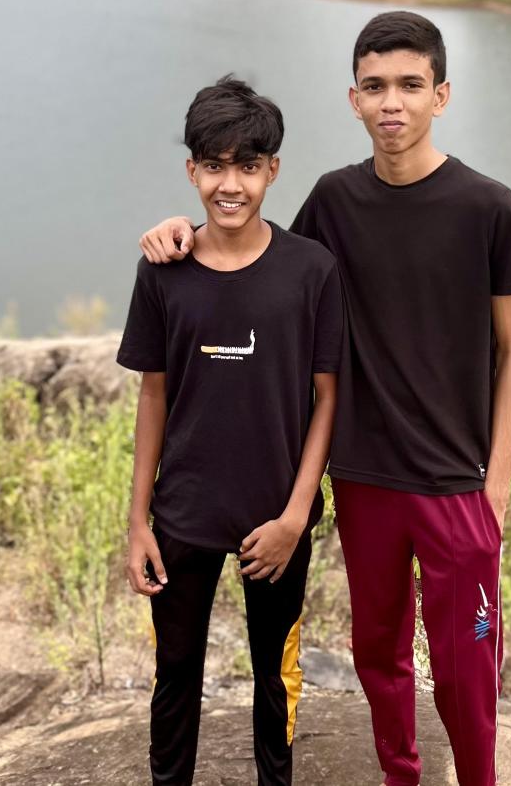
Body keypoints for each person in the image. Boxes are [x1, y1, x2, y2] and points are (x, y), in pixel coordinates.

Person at [137, 11, 511, 786]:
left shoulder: (487, 206)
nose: (393, 103)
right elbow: (258, 248)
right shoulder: (333, 200)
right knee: (376, 655)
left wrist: (499, 485)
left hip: (457, 481)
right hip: (363, 477)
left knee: (465, 665)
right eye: (376, 86)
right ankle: (400, 777)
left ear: (441, 95)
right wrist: (179, 231)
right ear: (353, 99)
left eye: (411, 85)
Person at [118, 75, 345, 786]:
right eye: (214, 165)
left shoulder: (311, 271)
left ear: (273, 170)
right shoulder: (164, 273)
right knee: (174, 673)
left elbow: (327, 398)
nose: (231, 184)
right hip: (182, 514)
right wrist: (138, 522)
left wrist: (297, 513)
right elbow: (152, 397)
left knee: (275, 680)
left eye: (248, 166)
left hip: (275, 518)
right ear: (192, 171)